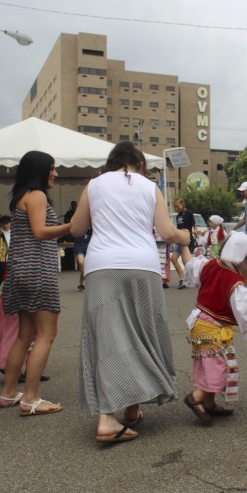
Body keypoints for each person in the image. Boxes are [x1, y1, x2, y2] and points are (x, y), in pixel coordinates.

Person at [70, 141, 190, 443]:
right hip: (143, 265)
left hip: (102, 266)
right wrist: (184, 236)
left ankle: (110, 416)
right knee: (142, 333)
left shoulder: (94, 184)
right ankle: (130, 410)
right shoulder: (150, 188)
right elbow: (165, 233)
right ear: (139, 163)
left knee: (109, 338)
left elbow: (76, 228)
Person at [0, 150, 70, 416]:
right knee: (46, 334)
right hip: (38, 271)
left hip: (19, 271)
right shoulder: (38, 196)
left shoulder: (21, 197)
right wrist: (70, 226)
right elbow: (40, 232)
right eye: (52, 168)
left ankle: (9, 393)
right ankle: (30, 397)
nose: (55, 173)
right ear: (40, 170)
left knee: (25, 335)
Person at [181, 233, 247, 426]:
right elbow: (245, 311)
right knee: (219, 367)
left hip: (199, 324)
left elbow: (191, 268)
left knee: (209, 365)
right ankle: (196, 397)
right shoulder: (234, 281)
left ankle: (209, 404)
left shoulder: (209, 264)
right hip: (212, 328)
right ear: (239, 256)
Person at [171, 198, 196, 289]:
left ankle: (192, 279)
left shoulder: (189, 213)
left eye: (177, 206)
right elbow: (178, 228)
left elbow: (194, 224)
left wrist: (195, 231)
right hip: (179, 240)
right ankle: (182, 278)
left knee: (187, 263)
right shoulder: (178, 216)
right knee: (173, 259)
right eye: (175, 207)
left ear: (182, 204)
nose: (176, 208)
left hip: (187, 240)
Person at [73, 227, 92, 291]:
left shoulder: (94, 227)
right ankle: (89, 283)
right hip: (80, 247)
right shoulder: (80, 225)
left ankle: (80, 284)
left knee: (84, 268)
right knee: (81, 264)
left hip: (90, 248)